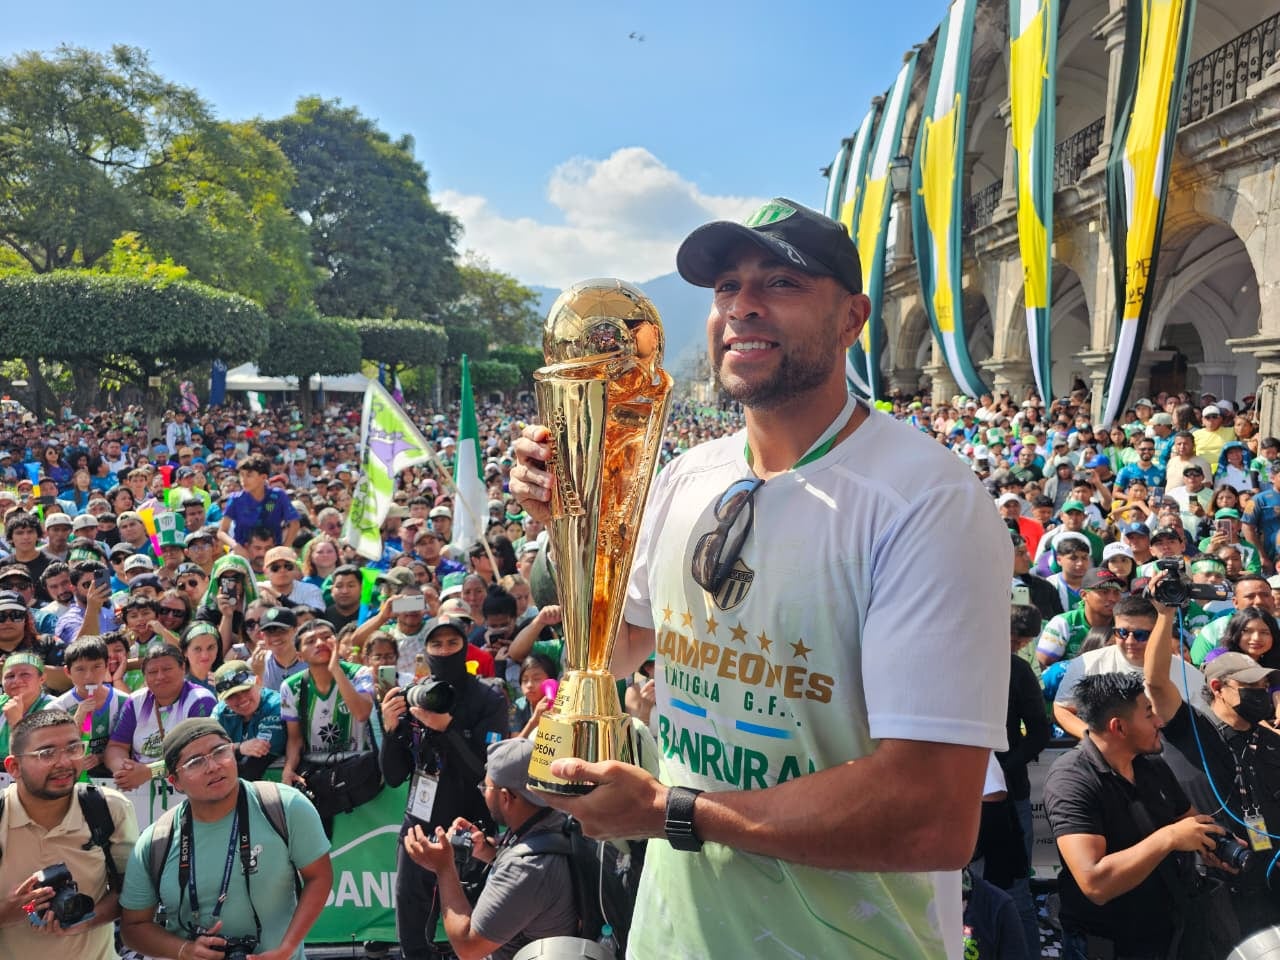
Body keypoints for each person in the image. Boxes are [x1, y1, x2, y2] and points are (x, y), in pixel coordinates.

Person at [510, 198, 1010, 958]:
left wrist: (676, 811)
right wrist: (573, 527)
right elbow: (615, 652)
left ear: (852, 317)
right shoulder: (685, 476)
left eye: (782, 281)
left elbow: (932, 815)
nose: (742, 305)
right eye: (725, 288)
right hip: (671, 938)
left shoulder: (926, 500)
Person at [1043, 672, 1234, 959]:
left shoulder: (1152, 766)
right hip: (1109, 947)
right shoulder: (1071, 779)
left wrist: (1214, 844)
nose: (1159, 721)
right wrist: (1168, 838)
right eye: (1148, 715)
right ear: (1118, 727)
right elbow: (1095, 882)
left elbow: (1188, 821)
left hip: (1173, 937)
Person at [118, 718, 332, 960]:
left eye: (220, 752)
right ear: (174, 781)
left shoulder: (285, 807)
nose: (213, 766)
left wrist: (287, 948)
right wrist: (185, 950)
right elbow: (132, 928)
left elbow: (319, 876)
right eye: (195, 762)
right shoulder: (155, 842)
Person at [378, 615, 508, 960]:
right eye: (436, 644)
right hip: (420, 823)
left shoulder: (488, 697)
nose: (444, 650)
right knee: (413, 926)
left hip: (473, 827)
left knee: (480, 924)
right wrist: (390, 730)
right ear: (426, 650)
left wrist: (447, 728)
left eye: (452, 643)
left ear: (465, 646)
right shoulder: (414, 698)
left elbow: (484, 770)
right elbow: (393, 776)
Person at [402, 738, 579, 960]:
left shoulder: (525, 869)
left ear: (506, 797)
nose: (484, 793)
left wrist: (444, 868)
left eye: (486, 787)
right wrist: (487, 852)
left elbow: (468, 947)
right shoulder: (553, 820)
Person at [0, 710, 137, 960]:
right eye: (47, 753)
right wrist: (8, 913)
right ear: (14, 767)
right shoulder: (2, 815)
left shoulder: (108, 808)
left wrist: (86, 919)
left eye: (74, 748)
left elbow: (133, 894)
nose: (64, 762)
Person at [105, 645, 216, 790]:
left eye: (167, 669)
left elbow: (198, 754)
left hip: (189, 784)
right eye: (152, 672)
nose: (160, 677)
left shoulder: (200, 700)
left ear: (183, 668)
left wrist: (149, 772)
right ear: (145, 676)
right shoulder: (135, 701)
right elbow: (116, 746)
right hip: (140, 785)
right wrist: (125, 771)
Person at [210, 661, 285, 781]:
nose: (241, 698)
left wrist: (227, 749)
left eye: (245, 690)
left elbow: (257, 756)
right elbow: (207, 749)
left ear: (258, 682)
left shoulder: (275, 705)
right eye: (232, 695)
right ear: (223, 700)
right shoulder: (220, 712)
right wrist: (239, 748)